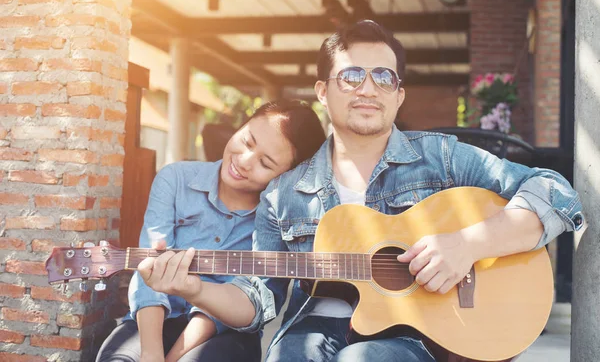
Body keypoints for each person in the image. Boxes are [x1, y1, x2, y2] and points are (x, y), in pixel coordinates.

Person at [137, 21, 585, 362]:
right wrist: (193, 288)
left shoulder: (443, 158)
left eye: (384, 77)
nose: (369, 88)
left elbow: (556, 193)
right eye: (351, 75)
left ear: (399, 96)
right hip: (310, 331)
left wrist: (467, 244)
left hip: (413, 334)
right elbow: (258, 299)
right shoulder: (281, 195)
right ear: (323, 92)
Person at [96, 99, 326, 362]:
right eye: (247, 141)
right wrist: (151, 353)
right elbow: (149, 272)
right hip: (153, 318)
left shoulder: (275, 219)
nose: (244, 161)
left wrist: (171, 358)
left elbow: (240, 302)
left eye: (266, 163)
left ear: (286, 176)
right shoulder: (176, 178)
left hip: (224, 333)